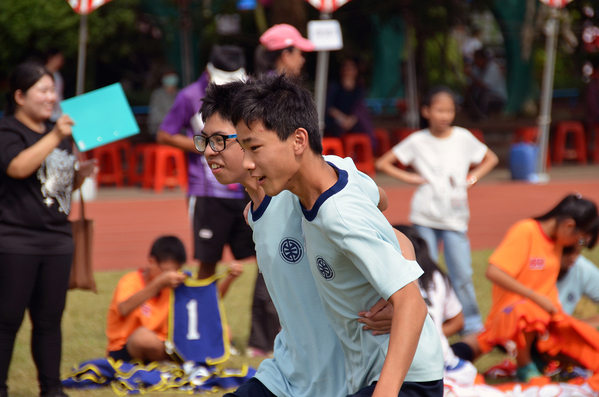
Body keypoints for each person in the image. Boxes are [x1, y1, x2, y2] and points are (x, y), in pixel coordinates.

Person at [233, 74, 444, 397]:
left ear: (298, 141)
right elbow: (380, 205)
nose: (247, 163)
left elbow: (413, 307)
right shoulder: (328, 176)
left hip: (407, 381)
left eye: (255, 148)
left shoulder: (338, 214)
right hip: (362, 375)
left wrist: (401, 294)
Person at [196, 79, 396, 397]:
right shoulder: (252, 214)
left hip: (347, 376)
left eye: (219, 140)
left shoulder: (311, 184)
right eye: (204, 140)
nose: (208, 151)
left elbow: (384, 215)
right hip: (288, 375)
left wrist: (396, 296)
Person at [0, 62, 96, 397]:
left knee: (49, 322)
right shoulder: (8, 131)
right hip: (15, 240)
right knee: (7, 321)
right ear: (19, 96)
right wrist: (55, 134)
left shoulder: (61, 133)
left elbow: (56, 187)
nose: (51, 97)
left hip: (57, 239)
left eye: (52, 89)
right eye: (42, 90)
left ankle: (51, 390)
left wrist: (80, 175)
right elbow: (17, 168)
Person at [375, 86, 499, 336]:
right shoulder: (418, 140)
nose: (445, 115)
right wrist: (409, 178)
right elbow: (382, 162)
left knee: (461, 271)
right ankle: (428, 321)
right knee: (424, 271)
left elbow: (491, 158)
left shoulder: (463, 137)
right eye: (439, 110)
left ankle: (472, 323)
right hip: (424, 215)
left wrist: (472, 178)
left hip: (455, 217)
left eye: (450, 110)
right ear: (426, 111)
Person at [457, 195, 599, 386]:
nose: (576, 246)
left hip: (546, 321)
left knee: (590, 345)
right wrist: (536, 298)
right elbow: (493, 271)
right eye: (579, 240)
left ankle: (544, 361)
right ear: (568, 226)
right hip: (513, 317)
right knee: (526, 312)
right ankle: (525, 366)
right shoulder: (526, 230)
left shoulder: (557, 243)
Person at [156, 45, 253, 280]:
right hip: (208, 192)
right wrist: (209, 144)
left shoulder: (249, 89)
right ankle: (201, 315)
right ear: (208, 71)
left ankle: (264, 316)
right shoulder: (189, 96)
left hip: (248, 188)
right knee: (208, 261)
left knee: (263, 255)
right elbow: (164, 134)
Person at [105, 235, 242, 363]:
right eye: (167, 270)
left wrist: (229, 279)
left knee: (225, 331)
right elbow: (123, 308)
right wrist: (159, 284)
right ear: (152, 262)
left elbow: (206, 301)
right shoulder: (131, 281)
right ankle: (184, 359)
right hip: (126, 347)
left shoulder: (176, 281)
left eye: (177, 270)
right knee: (142, 338)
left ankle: (178, 359)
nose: (172, 275)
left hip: (168, 343)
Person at [394, 225, 478, 387]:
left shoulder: (392, 278)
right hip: (442, 360)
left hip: (410, 366)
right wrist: (434, 332)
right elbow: (458, 321)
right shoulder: (437, 275)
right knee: (477, 339)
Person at [325, 58, 375, 146]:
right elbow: (328, 107)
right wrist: (342, 119)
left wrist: (351, 121)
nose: (348, 71)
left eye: (351, 68)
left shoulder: (359, 88)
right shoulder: (334, 86)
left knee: (362, 131)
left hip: (352, 121)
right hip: (336, 120)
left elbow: (359, 109)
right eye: (346, 68)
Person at [557, 245, 599, 328]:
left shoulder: (581, 268)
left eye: (577, 252)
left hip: (560, 335)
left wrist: (575, 326)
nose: (573, 257)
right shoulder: (537, 262)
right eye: (568, 251)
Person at [465, 48, 507, 119]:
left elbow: (484, 86)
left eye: (477, 59)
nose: (475, 62)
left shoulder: (492, 68)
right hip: (484, 96)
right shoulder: (477, 68)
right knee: (472, 94)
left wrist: (471, 75)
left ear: (482, 59)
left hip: (497, 98)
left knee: (484, 95)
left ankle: (483, 118)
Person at [148, 70, 179, 140]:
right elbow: (155, 117)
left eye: (172, 76)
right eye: (168, 77)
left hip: (178, 131)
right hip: (160, 131)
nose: (171, 79)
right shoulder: (157, 95)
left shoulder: (180, 94)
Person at [43, 49, 65, 122]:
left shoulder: (57, 75)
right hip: (48, 114)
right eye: (58, 58)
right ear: (50, 58)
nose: (60, 62)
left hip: (57, 113)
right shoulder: (41, 74)